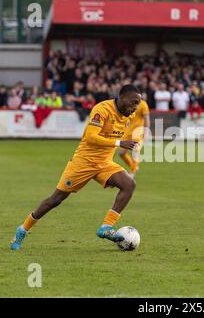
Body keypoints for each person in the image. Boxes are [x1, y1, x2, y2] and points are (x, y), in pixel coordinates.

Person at [10, 85, 141, 250]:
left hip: (104, 163)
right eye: (133, 102)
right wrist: (119, 143)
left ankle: (106, 227)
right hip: (83, 161)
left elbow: (113, 141)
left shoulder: (129, 116)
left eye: (138, 104)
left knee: (129, 184)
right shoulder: (102, 109)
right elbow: (91, 137)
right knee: (55, 199)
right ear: (121, 97)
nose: (135, 107)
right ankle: (23, 229)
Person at [118, 99, 150, 175]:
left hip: (138, 132)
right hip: (128, 132)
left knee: (135, 151)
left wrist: (146, 132)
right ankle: (134, 167)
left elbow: (146, 119)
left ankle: (132, 173)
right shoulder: (128, 103)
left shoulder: (143, 104)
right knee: (121, 153)